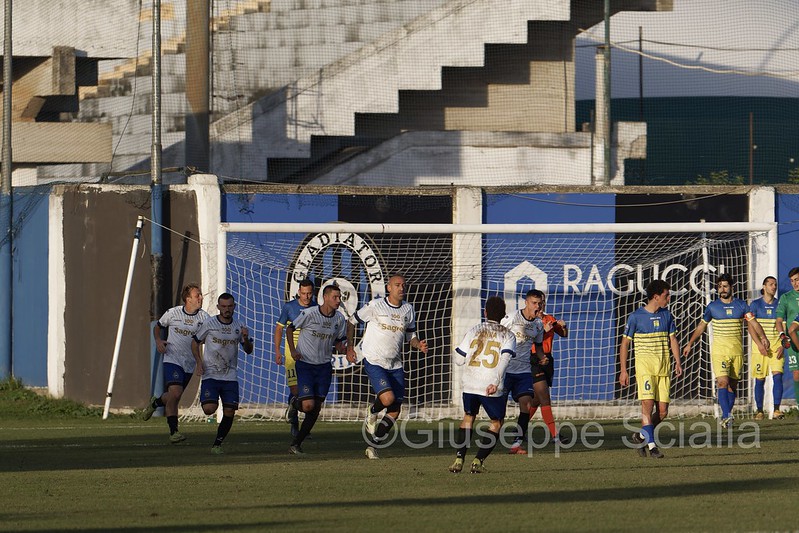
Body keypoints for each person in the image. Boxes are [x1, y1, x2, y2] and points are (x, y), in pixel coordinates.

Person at [345, 274, 428, 460]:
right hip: (374, 360)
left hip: (395, 364)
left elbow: (410, 336)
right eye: (397, 285)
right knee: (388, 399)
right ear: (388, 287)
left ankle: (373, 446)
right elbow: (351, 321)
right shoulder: (376, 306)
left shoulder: (408, 309)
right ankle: (372, 411)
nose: (401, 288)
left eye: (404, 285)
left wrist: (418, 345)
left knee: (394, 410)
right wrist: (350, 347)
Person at [683, 273, 769, 428]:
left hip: (736, 352)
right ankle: (726, 415)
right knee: (722, 383)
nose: (722, 289)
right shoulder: (712, 307)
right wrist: (690, 343)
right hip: (719, 352)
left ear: (731, 287)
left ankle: (726, 418)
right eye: (719, 286)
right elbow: (701, 326)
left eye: (725, 286)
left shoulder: (742, 305)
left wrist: (763, 337)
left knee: (733, 386)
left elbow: (754, 323)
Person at [449, 296, 516, 474]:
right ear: (503, 315)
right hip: (490, 386)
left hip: (470, 383)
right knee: (496, 422)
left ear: (485, 312)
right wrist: (495, 382)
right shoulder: (508, 335)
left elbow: (458, 359)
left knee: (468, 417)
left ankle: (458, 458)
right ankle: (478, 460)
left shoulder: (474, 330)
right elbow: (504, 360)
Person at [619, 280, 682, 459]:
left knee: (662, 412)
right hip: (645, 369)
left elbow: (673, 340)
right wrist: (624, 370)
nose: (669, 298)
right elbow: (625, 344)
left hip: (664, 369)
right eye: (666, 295)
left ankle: (640, 436)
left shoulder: (667, 315)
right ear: (656, 297)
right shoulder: (635, 317)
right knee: (647, 406)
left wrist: (677, 361)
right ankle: (653, 446)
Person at [143, 283, 210, 443]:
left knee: (173, 397)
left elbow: (207, 339)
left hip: (189, 363)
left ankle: (157, 401)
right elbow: (158, 327)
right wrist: (158, 340)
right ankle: (174, 432)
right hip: (172, 359)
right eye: (197, 295)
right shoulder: (172, 313)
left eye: (200, 295)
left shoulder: (204, 318)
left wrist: (201, 361)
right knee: (176, 394)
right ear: (188, 299)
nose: (201, 298)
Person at [285, 283, 348, 455]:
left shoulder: (339, 319)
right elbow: (289, 330)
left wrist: (344, 349)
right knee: (307, 405)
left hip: (324, 368)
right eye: (335, 297)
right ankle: (294, 403)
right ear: (325, 297)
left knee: (316, 408)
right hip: (305, 364)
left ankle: (296, 444)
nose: (338, 300)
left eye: (339, 297)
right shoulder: (309, 314)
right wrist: (293, 350)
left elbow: (338, 341)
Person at [191, 293, 254, 454]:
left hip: (230, 376)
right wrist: (199, 362)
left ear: (234, 307)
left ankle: (217, 444)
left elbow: (248, 350)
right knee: (209, 409)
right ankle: (212, 398)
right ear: (218, 307)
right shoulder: (209, 323)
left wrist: (246, 339)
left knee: (229, 412)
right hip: (211, 374)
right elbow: (195, 342)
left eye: (230, 306)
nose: (227, 309)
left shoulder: (239, 327)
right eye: (224, 306)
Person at [500, 289, 545, 454]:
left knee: (526, 404)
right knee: (499, 411)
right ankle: (491, 438)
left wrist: (542, 357)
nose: (537, 306)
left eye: (539, 303)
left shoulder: (538, 325)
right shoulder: (511, 318)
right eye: (534, 303)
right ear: (526, 302)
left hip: (524, 372)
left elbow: (538, 347)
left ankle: (516, 444)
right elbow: (497, 337)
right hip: (506, 370)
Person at [274, 279, 316, 437]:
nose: (306, 297)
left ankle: (302, 423)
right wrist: (278, 351)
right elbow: (279, 329)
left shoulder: (316, 308)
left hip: (310, 356)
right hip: (291, 355)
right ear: (299, 292)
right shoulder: (289, 307)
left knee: (309, 392)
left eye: (309, 293)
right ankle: (294, 425)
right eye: (303, 293)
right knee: (296, 390)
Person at [528, 291, 570, 446]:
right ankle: (555, 435)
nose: (539, 306)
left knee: (537, 399)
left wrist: (564, 326)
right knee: (545, 396)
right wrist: (542, 330)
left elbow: (563, 334)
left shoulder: (549, 318)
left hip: (547, 359)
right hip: (533, 359)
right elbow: (526, 338)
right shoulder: (527, 320)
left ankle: (519, 429)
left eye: (542, 302)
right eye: (536, 303)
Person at [749, 276, 785, 419]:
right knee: (760, 379)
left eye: (775, 284)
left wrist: (783, 344)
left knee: (778, 376)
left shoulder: (780, 305)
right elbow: (750, 327)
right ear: (764, 287)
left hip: (776, 346)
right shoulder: (755, 305)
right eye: (771, 284)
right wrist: (759, 344)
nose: (774, 287)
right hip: (760, 348)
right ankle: (759, 411)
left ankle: (776, 410)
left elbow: (784, 326)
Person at [776, 267, 799, 415]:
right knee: (797, 374)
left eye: (797, 279)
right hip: (793, 341)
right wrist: (782, 336)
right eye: (792, 281)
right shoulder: (786, 297)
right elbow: (779, 321)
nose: (794, 283)